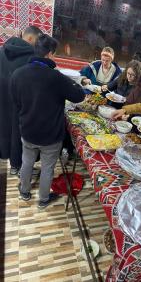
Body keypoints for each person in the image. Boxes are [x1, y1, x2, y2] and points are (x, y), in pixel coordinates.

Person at [10, 34, 85, 208]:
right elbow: (79, 96)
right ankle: (43, 200)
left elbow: (16, 103)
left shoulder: (18, 74)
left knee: (27, 161)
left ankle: (25, 192)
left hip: (28, 131)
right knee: (47, 168)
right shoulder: (56, 77)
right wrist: (76, 83)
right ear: (50, 54)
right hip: (51, 136)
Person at [0, 26, 43, 175]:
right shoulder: (32, 58)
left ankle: (4, 156)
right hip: (20, 102)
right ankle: (15, 166)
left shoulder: (1, 50)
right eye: (37, 41)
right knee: (17, 132)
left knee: (3, 126)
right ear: (30, 38)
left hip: (2, 98)